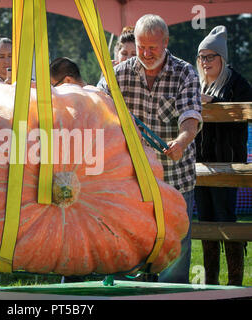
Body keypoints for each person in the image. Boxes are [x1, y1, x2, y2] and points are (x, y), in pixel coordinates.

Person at [98, 14, 203, 284]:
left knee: (175, 249)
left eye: (152, 47)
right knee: (129, 242)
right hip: (132, 178)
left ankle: (171, 292)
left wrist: (181, 141)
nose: (145, 53)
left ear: (166, 42)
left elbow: (190, 115)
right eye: (141, 46)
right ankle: (128, 290)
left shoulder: (185, 73)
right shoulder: (119, 73)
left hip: (174, 177)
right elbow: (97, 103)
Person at [194, 26, 252, 286]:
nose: (205, 62)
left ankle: (236, 282)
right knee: (205, 220)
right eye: (201, 57)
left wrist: (214, 105)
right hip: (200, 165)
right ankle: (210, 282)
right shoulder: (195, 84)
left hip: (228, 166)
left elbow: (244, 110)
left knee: (226, 217)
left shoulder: (237, 83)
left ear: (222, 59)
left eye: (210, 57)